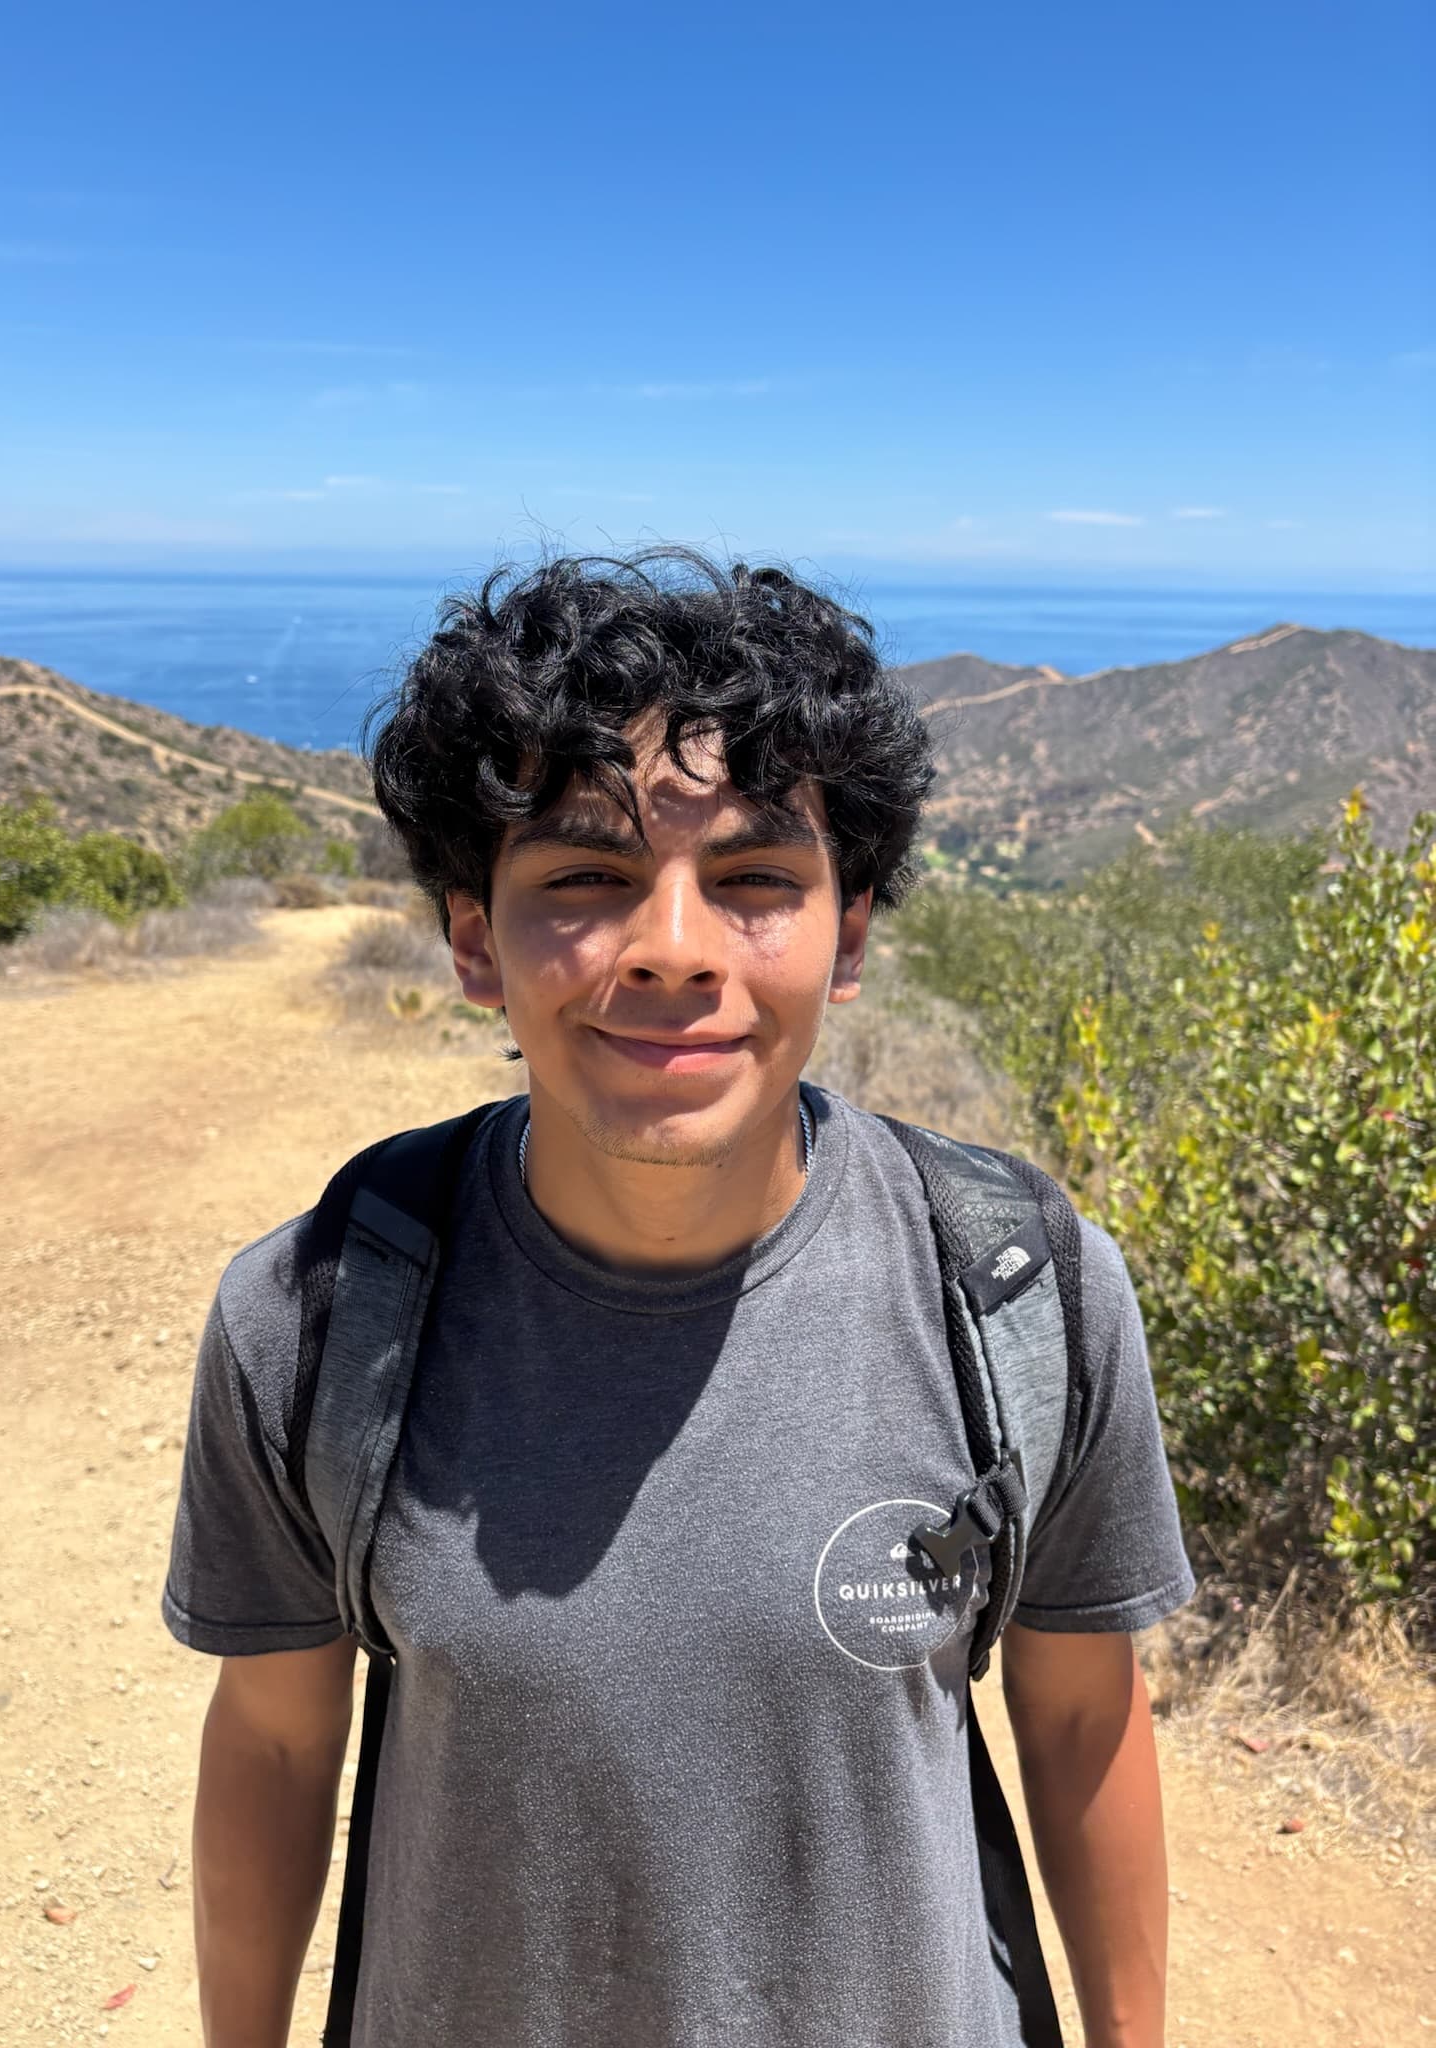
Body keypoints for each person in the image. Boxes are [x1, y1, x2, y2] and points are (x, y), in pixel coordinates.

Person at [162, 547, 1194, 2048]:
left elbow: (1087, 1719)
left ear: (846, 942)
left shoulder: (1024, 1289)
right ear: (474, 943)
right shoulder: (314, 1316)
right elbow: (269, 1746)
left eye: (758, 880)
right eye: (584, 878)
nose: (673, 950)